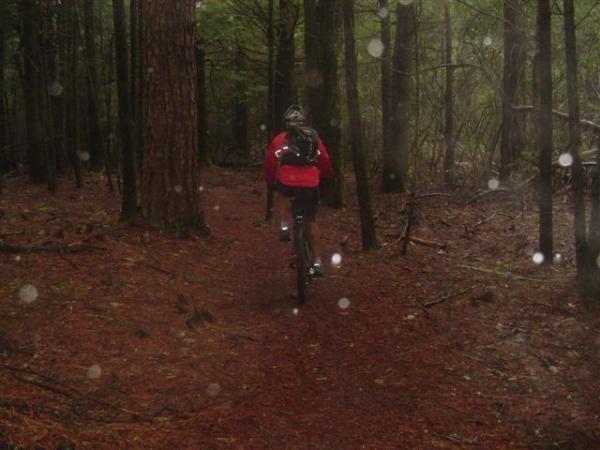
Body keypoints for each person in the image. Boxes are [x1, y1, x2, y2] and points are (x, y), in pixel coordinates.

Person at [264, 105, 333, 277]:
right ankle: (317, 262)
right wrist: (325, 176)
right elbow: (324, 159)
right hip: (310, 182)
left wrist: (272, 181)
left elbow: (271, 164)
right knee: (310, 220)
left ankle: (284, 225)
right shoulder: (313, 137)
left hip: (288, 181)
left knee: (282, 193)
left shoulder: (280, 139)